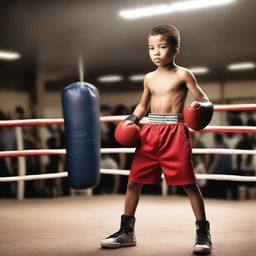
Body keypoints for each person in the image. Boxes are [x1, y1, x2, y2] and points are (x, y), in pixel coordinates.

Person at [101, 24, 212, 254]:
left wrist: (199, 106)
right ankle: (126, 232)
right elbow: (143, 106)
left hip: (175, 132)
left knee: (189, 185)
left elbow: (204, 99)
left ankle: (203, 234)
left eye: (162, 47)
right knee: (133, 182)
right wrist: (131, 119)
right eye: (151, 48)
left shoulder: (184, 74)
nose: (156, 52)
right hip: (150, 132)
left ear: (176, 48)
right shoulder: (149, 78)